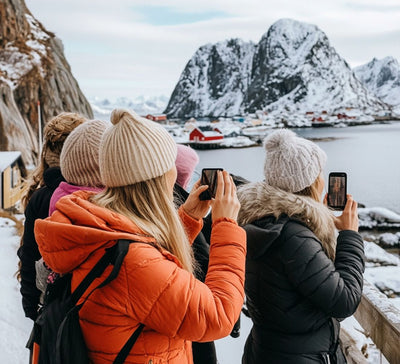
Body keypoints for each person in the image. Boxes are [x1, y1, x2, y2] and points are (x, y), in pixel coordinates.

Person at [34, 109, 246, 363]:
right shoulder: (133, 263)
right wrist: (226, 224)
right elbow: (219, 315)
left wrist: (187, 220)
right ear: (158, 178)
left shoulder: (100, 226)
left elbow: (151, 266)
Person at [237, 129, 365, 364]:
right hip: (300, 356)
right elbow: (344, 301)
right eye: (320, 172)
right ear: (311, 181)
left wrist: (320, 219)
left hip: (268, 350)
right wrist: (349, 235)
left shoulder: (263, 223)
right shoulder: (293, 238)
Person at [17, 112, 86, 321]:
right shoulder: (99, 192)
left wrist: (31, 304)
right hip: (91, 303)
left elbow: (29, 253)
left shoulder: (40, 196)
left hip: (51, 306)